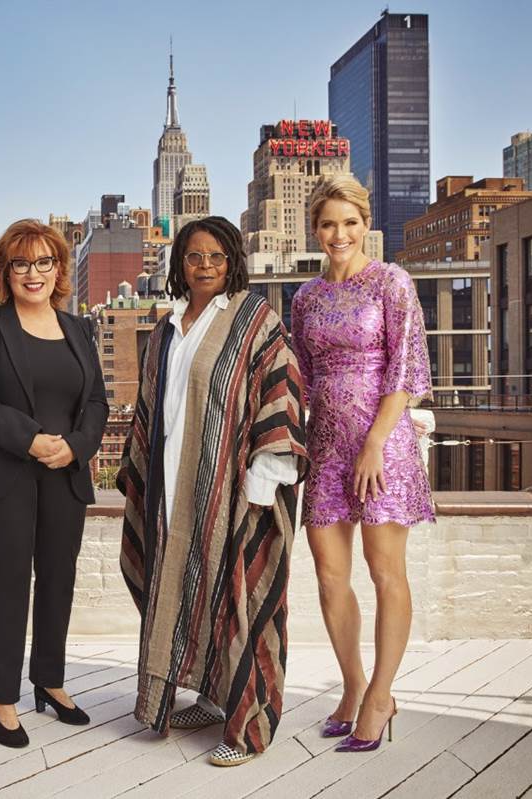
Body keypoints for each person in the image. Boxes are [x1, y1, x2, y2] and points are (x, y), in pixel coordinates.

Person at [118, 216, 308, 767]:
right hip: (172, 486)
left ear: (233, 262)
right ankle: (206, 697)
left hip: (234, 486)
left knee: (238, 596)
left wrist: (263, 478)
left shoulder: (254, 319)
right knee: (179, 591)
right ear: (179, 263)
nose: (205, 266)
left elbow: (281, 390)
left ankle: (248, 726)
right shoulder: (165, 329)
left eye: (217, 257)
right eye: (194, 256)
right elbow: (150, 409)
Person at [289, 175, 434, 753]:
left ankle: (380, 695)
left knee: (384, 571)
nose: (339, 234)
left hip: (383, 445)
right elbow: (301, 376)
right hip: (325, 446)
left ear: (366, 224)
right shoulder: (305, 297)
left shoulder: (392, 282)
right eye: (328, 224)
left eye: (350, 222)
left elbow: (407, 370)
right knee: (329, 575)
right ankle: (351, 685)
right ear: (315, 229)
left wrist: (375, 442)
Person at [0, 219, 109, 748]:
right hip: (5, 471)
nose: (33, 273)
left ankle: (49, 681)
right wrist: (32, 440)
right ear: (5, 270)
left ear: (58, 269)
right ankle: (2, 697)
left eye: (44, 262)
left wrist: (76, 446)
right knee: (10, 581)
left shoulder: (80, 329)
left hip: (65, 471)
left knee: (59, 578)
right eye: (21, 263)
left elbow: (96, 401)